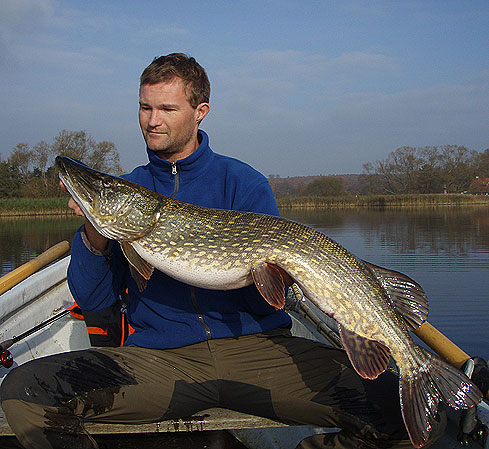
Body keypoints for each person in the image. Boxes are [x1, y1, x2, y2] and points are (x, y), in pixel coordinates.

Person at [0, 53, 444, 449]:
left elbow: (268, 297)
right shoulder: (131, 191)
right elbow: (95, 301)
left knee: (415, 417)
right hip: (161, 360)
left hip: (258, 352)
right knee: (23, 391)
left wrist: (286, 277)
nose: (152, 120)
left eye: (167, 108)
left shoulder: (243, 182)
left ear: (200, 112)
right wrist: (96, 232)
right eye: (145, 107)